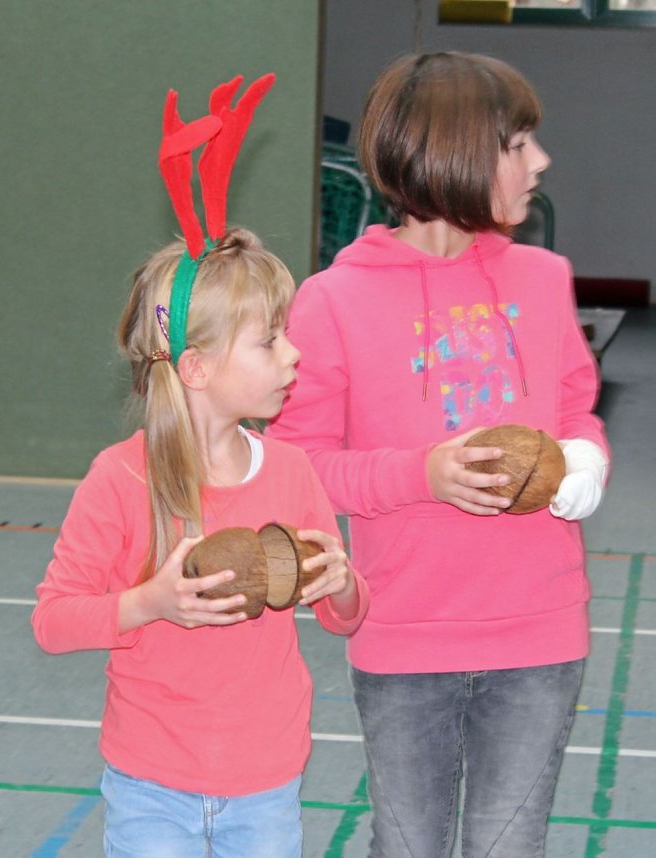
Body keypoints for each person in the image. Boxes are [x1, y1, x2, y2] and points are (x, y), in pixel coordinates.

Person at [268, 52, 609, 858]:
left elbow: (575, 413)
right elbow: (298, 467)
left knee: (506, 846)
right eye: (517, 143)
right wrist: (420, 473)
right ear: (454, 152)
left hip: (539, 635)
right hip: (404, 634)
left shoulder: (542, 276)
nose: (541, 162)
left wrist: (582, 463)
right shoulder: (332, 301)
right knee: (409, 845)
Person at [32, 227, 369, 858]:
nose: (293, 355)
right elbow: (52, 622)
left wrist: (343, 583)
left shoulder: (293, 472)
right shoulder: (120, 478)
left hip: (267, 784)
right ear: (196, 367)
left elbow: (344, 618)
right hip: (149, 788)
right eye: (270, 341)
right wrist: (149, 603)